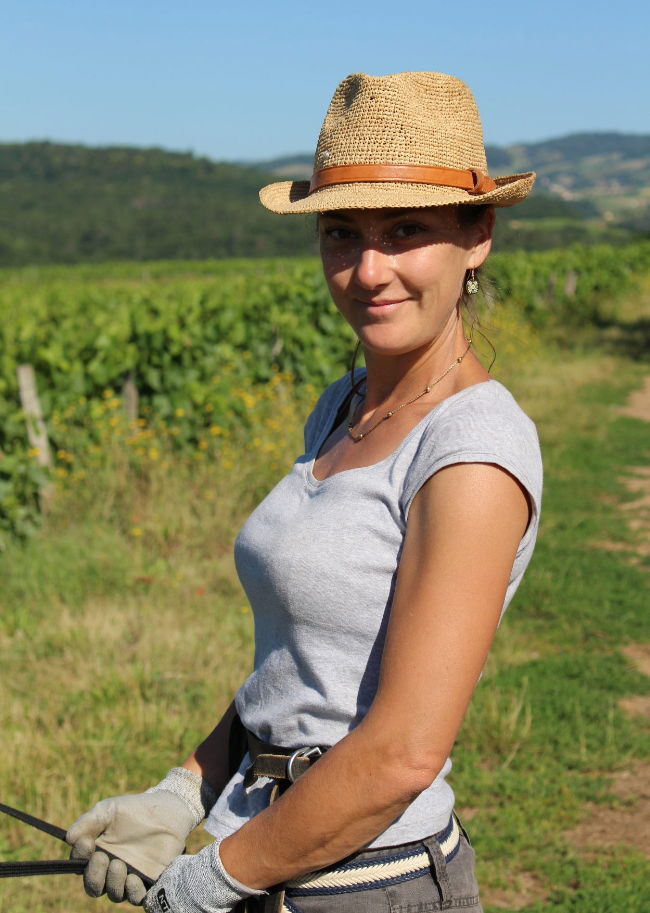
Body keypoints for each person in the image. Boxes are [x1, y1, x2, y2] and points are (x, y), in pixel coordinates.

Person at [66, 71, 542, 913]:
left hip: (369, 882)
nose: (368, 270)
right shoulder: (345, 402)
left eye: (405, 230)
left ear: (478, 235)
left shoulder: (471, 452)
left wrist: (214, 877)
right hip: (275, 852)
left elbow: (400, 751)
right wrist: (183, 791)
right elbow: (296, 669)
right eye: (341, 232)